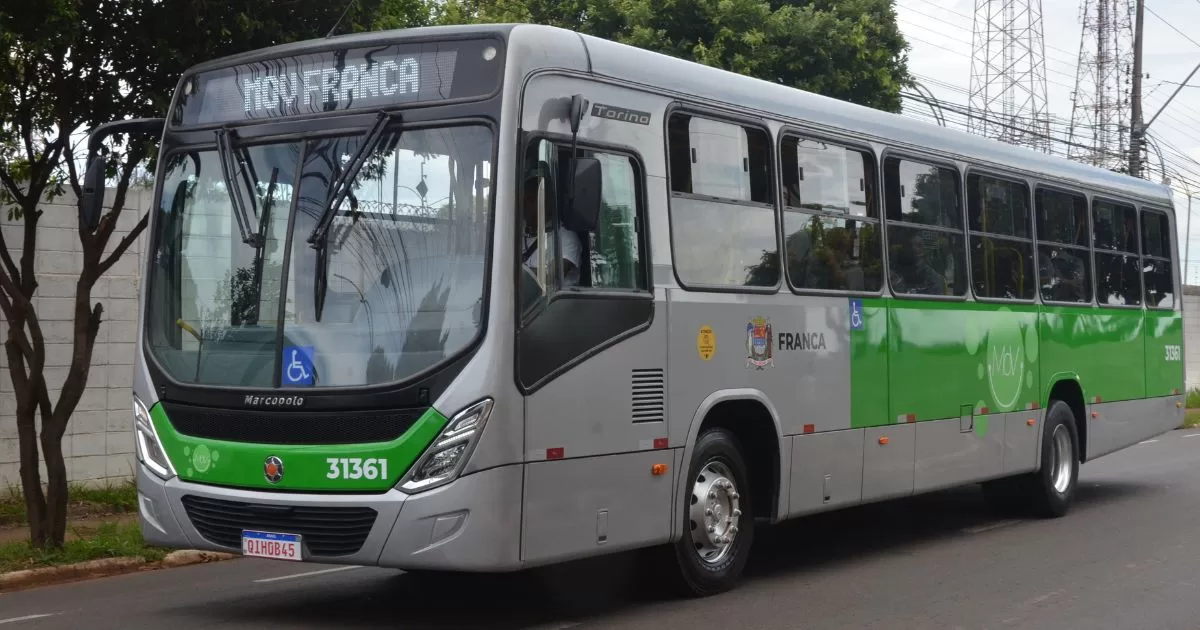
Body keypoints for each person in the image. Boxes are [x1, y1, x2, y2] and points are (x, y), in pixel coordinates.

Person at [521, 175, 582, 287]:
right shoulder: (518, 234)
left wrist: (511, 273)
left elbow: (550, 275)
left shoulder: (565, 238)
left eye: (531, 200)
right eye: (523, 200)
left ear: (546, 202)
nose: (525, 206)